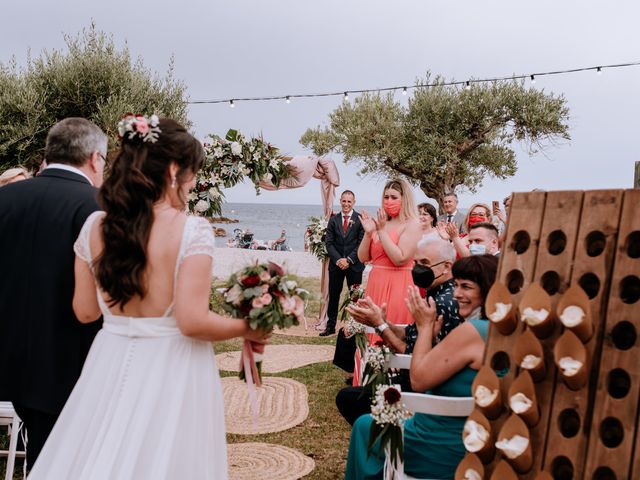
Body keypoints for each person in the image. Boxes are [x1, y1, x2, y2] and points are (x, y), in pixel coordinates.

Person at [27, 116, 270, 479]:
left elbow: (85, 312)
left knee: (100, 453)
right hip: (174, 368)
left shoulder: (94, 226)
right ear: (174, 170)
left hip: (107, 361)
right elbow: (191, 321)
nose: (193, 183)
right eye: (192, 173)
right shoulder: (192, 230)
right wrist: (248, 326)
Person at [0, 118, 107, 468]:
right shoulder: (98, 208)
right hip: (69, 362)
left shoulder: (6, 198)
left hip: (8, 359)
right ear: (94, 159)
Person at [344, 254, 499, 479]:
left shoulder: (472, 331)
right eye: (456, 285)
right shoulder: (497, 331)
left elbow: (418, 380)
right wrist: (384, 323)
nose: (457, 294)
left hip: (440, 447)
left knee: (363, 426)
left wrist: (425, 328)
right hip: (476, 439)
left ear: (488, 291)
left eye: (466, 287)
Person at [335, 236, 460, 425]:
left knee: (348, 399)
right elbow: (410, 333)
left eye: (425, 263)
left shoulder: (441, 304)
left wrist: (379, 325)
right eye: (416, 263)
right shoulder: (440, 292)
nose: (418, 269)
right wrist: (384, 320)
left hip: (424, 390)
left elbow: (410, 354)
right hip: (418, 378)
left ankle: (394, 437)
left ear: (447, 266)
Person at [354, 179, 421, 383]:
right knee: (369, 331)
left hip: (399, 282)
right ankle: (366, 383)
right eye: (386, 197)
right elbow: (363, 257)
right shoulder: (381, 222)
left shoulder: (412, 224)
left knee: (390, 330)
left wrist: (381, 231)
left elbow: (400, 258)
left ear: (404, 199)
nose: (388, 201)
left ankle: (392, 384)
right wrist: (368, 233)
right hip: (376, 280)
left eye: (394, 197)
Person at [322, 190, 366, 336]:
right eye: (344, 201)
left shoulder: (360, 219)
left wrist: (349, 260)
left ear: (354, 202)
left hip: (355, 265)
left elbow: (362, 243)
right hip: (336, 265)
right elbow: (329, 243)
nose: (346, 204)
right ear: (340, 201)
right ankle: (330, 326)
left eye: (349, 201)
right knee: (334, 295)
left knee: (355, 297)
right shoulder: (333, 219)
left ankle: (354, 326)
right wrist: (339, 260)